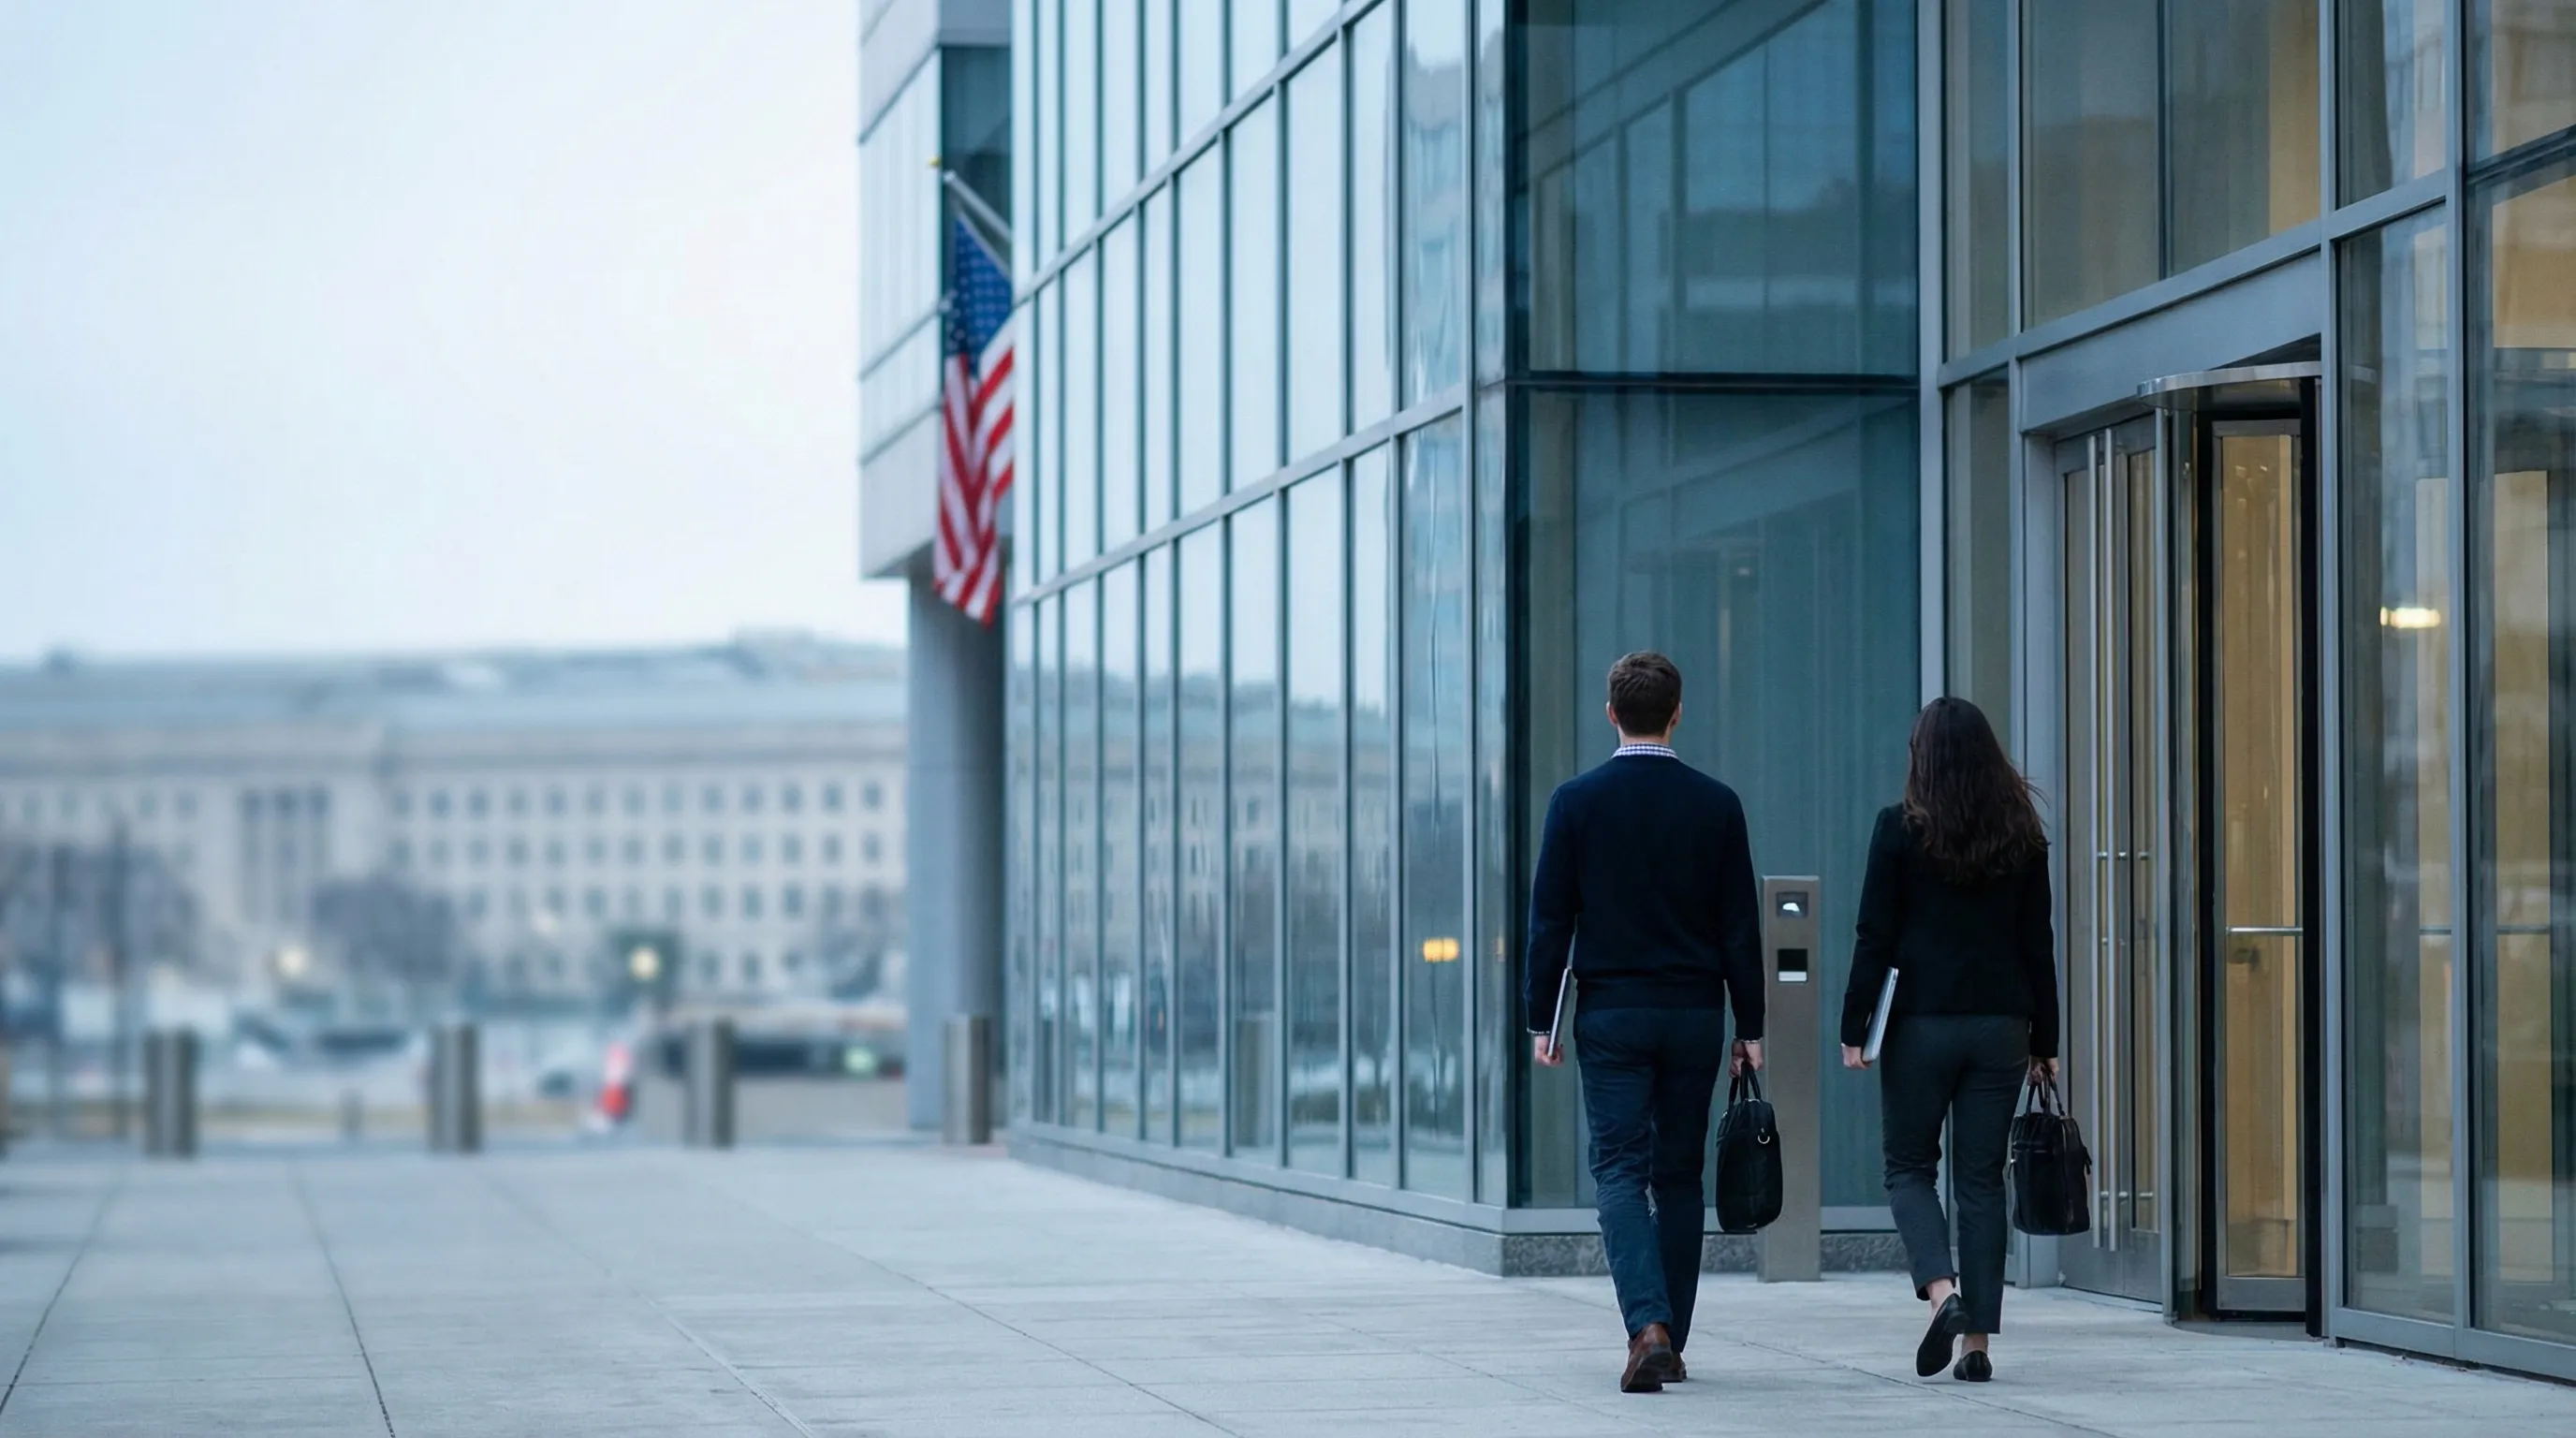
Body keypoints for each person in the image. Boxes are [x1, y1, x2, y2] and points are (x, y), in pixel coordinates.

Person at [1526, 651, 1765, 1395]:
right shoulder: (1716, 804)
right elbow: (1739, 928)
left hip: (1613, 1015)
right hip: (1695, 1012)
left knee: (1620, 1172)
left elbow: (1549, 922)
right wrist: (1750, 1026)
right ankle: (1672, 1338)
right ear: (1678, 710)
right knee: (1678, 1176)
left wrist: (1543, 1020)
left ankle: (1648, 1328)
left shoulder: (1575, 801)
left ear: (1610, 714)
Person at [1839, 697, 2060, 1384]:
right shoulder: (2022, 835)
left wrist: (1854, 1027)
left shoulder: (1898, 830)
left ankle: (1944, 1295)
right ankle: (1978, 1347)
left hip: (1918, 1026)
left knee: (1908, 1166)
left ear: (1921, 759)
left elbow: (1873, 935)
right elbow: (2038, 944)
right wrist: (2046, 1039)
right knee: (1980, 1182)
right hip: (2000, 1027)